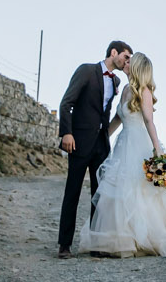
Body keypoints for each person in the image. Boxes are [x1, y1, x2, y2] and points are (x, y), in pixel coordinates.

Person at [72, 52, 166, 258]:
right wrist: (100, 137)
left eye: (131, 61)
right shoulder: (126, 90)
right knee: (119, 190)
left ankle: (145, 238)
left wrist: (157, 150)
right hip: (123, 143)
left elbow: (149, 121)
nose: (126, 63)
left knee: (141, 190)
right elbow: (117, 119)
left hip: (140, 143)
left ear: (138, 67)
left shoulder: (144, 91)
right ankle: (117, 239)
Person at [55, 41, 131, 258]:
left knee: (100, 195)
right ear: (113, 52)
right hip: (78, 141)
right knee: (73, 192)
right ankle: (64, 245)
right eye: (126, 57)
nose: (127, 62)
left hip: (100, 144)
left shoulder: (116, 80)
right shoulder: (87, 70)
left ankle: (97, 243)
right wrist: (66, 133)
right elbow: (66, 103)